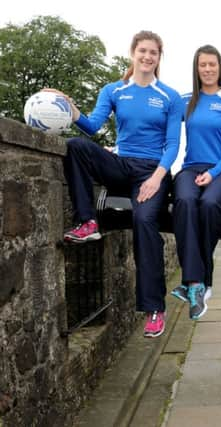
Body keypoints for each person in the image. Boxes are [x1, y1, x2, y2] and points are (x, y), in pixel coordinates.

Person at [54, 31, 182, 338]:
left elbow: (173, 144)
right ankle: (87, 221)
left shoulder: (170, 96)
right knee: (76, 146)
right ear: (133, 53)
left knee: (144, 219)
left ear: (158, 57)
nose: (148, 57)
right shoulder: (114, 90)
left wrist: (156, 177)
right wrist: (71, 111)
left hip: (151, 171)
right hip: (122, 164)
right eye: (143, 51)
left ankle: (154, 308)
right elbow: (93, 126)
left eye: (154, 52)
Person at [168, 45, 221, 320]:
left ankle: (202, 281)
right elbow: (155, 122)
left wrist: (214, 172)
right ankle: (195, 283)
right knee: (186, 201)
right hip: (190, 168)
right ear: (197, 68)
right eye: (203, 65)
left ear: (220, 67)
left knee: (210, 203)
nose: (209, 69)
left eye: (213, 64)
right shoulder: (185, 100)